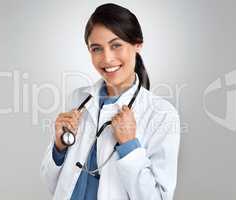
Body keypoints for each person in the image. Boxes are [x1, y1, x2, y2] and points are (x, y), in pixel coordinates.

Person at [40, 3, 180, 200]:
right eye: (97, 48)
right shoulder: (79, 99)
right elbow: (52, 184)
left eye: (116, 45)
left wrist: (129, 145)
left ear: (137, 44)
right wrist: (59, 146)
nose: (107, 58)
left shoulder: (161, 114)